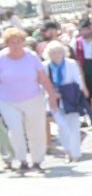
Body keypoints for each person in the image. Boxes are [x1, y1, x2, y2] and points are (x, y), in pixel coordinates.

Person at [0, 27, 56, 174]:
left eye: (18, 42)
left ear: (23, 42)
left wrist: (52, 97)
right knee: (15, 129)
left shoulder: (31, 57)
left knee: (36, 130)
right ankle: (22, 160)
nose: (15, 45)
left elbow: (43, 78)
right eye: (12, 42)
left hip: (33, 98)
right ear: (7, 43)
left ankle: (37, 161)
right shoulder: (1, 58)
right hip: (8, 101)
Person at [43, 42, 88, 162]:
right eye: (53, 53)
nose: (56, 55)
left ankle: (76, 154)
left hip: (70, 97)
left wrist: (80, 93)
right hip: (54, 99)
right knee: (61, 126)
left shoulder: (71, 64)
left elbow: (77, 80)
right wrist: (51, 94)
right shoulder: (45, 66)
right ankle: (67, 150)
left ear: (63, 53)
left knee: (74, 125)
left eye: (59, 52)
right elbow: (43, 84)